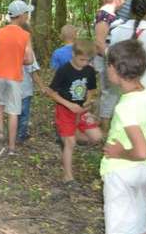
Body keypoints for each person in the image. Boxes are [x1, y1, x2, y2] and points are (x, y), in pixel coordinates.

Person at [101, 39, 146, 234]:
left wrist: (119, 151)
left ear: (115, 69)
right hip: (142, 172)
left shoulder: (126, 106)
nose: (107, 69)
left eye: (108, 65)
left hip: (122, 174)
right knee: (140, 224)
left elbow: (141, 151)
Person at [46, 39, 103, 185]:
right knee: (70, 143)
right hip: (65, 109)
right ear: (73, 54)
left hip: (82, 111)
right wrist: (69, 105)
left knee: (96, 137)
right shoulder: (64, 70)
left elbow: (91, 90)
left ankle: (66, 135)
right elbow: (51, 92)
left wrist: (88, 103)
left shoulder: (89, 70)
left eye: (87, 60)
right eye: (81, 59)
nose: (84, 63)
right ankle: (68, 176)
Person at [0, 0, 35, 155]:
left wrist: (3, 57)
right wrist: (16, 58)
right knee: (13, 111)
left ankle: (1, 132)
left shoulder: (0, 32)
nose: (28, 16)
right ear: (21, 15)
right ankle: (11, 147)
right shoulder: (25, 35)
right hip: (14, 77)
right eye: (26, 13)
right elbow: (29, 60)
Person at [94, 0, 125, 132]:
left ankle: (102, 123)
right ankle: (105, 129)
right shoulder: (104, 14)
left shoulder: (111, 14)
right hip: (108, 59)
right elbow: (100, 43)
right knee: (110, 92)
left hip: (113, 57)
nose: (124, 0)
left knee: (111, 92)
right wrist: (111, 60)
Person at [18, 22, 45, 144]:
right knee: (24, 113)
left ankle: (15, 132)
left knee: (15, 112)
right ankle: (21, 134)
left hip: (12, 87)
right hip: (24, 88)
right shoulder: (28, 51)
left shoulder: (9, 50)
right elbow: (33, 72)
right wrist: (42, 87)